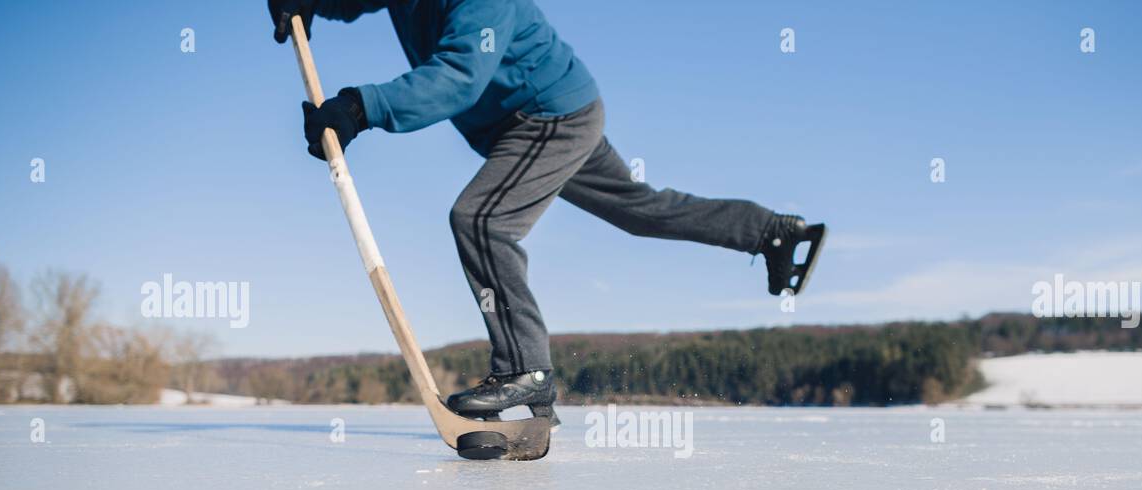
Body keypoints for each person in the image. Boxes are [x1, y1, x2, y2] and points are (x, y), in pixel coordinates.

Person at [270, 0, 825, 420]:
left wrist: (358, 107)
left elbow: (459, 77)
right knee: (640, 210)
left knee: (483, 220)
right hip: (552, 112)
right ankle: (772, 233)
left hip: (547, 116)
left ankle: (524, 371)